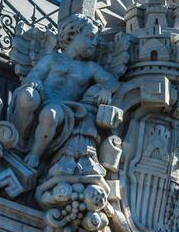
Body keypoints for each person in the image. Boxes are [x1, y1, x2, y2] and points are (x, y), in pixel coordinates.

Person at [9, 13, 118, 169]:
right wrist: (33, 82)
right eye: (91, 37)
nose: (95, 43)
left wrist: (107, 89)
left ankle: (34, 155)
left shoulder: (90, 68)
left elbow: (112, 82)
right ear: (73, 34)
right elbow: (33, 76)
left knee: (50, 114)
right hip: (40, 97)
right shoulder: (52, 58)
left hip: (63, 107)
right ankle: (15, 142)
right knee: (27, 96)